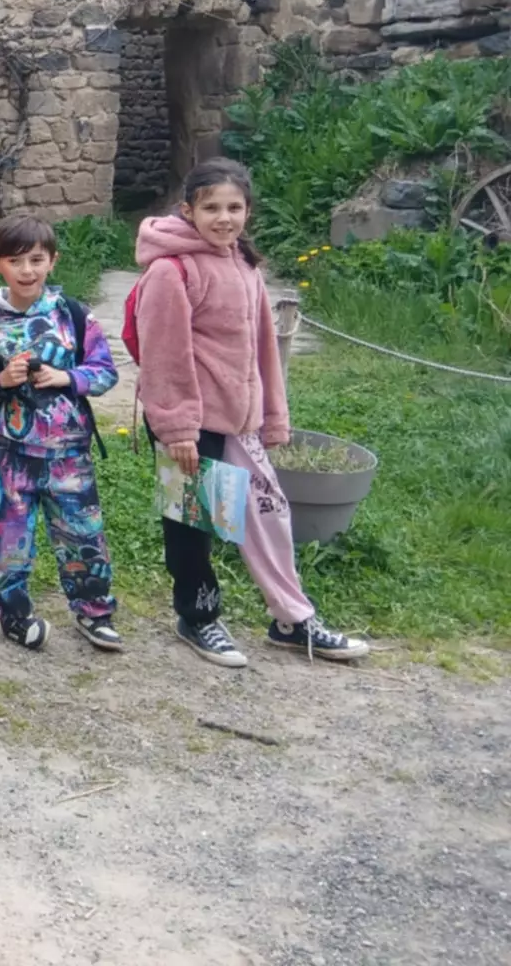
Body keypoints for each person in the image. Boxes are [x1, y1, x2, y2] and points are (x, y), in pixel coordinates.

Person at [135, 158, 369, 668]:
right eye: (212, 207)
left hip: (240, 421)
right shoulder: (170, 271)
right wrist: (178, 428)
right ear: (188, 210)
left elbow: (264, 347)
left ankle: (291, 617)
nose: (224, 218)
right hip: (192, 425)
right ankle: (197, 617)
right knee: (194, 523)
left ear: (248, 211)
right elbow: (164, 355)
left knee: (268, 516)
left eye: (234, 207)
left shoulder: (243, 263)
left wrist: (272, 416)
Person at [0, 215, 123, 652]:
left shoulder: (73, 314)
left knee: (82, 535)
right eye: (15, 260)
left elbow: (105, 372)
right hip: (9, 453)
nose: (27, 270)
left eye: (36, 259)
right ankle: (13, 615)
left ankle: (95, 613)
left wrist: (65, 377)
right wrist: (2, 381)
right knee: (6, 539)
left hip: (68, 452)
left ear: (52, 261)